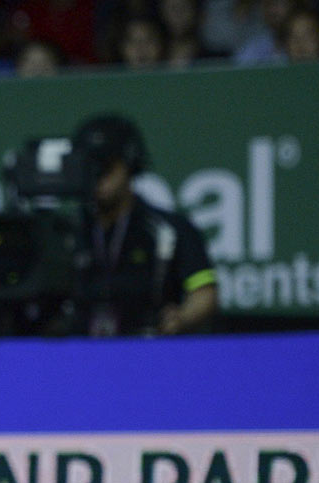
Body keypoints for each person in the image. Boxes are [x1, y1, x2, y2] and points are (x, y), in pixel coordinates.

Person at [70, 115, 218, 336]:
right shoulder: (68, 234)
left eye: (106, 166)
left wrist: (183, 318)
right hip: (77, 349)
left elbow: (204, 292)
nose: (98, 176)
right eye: (89, 167)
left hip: (150, 347)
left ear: (129, 164)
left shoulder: (169, 230)